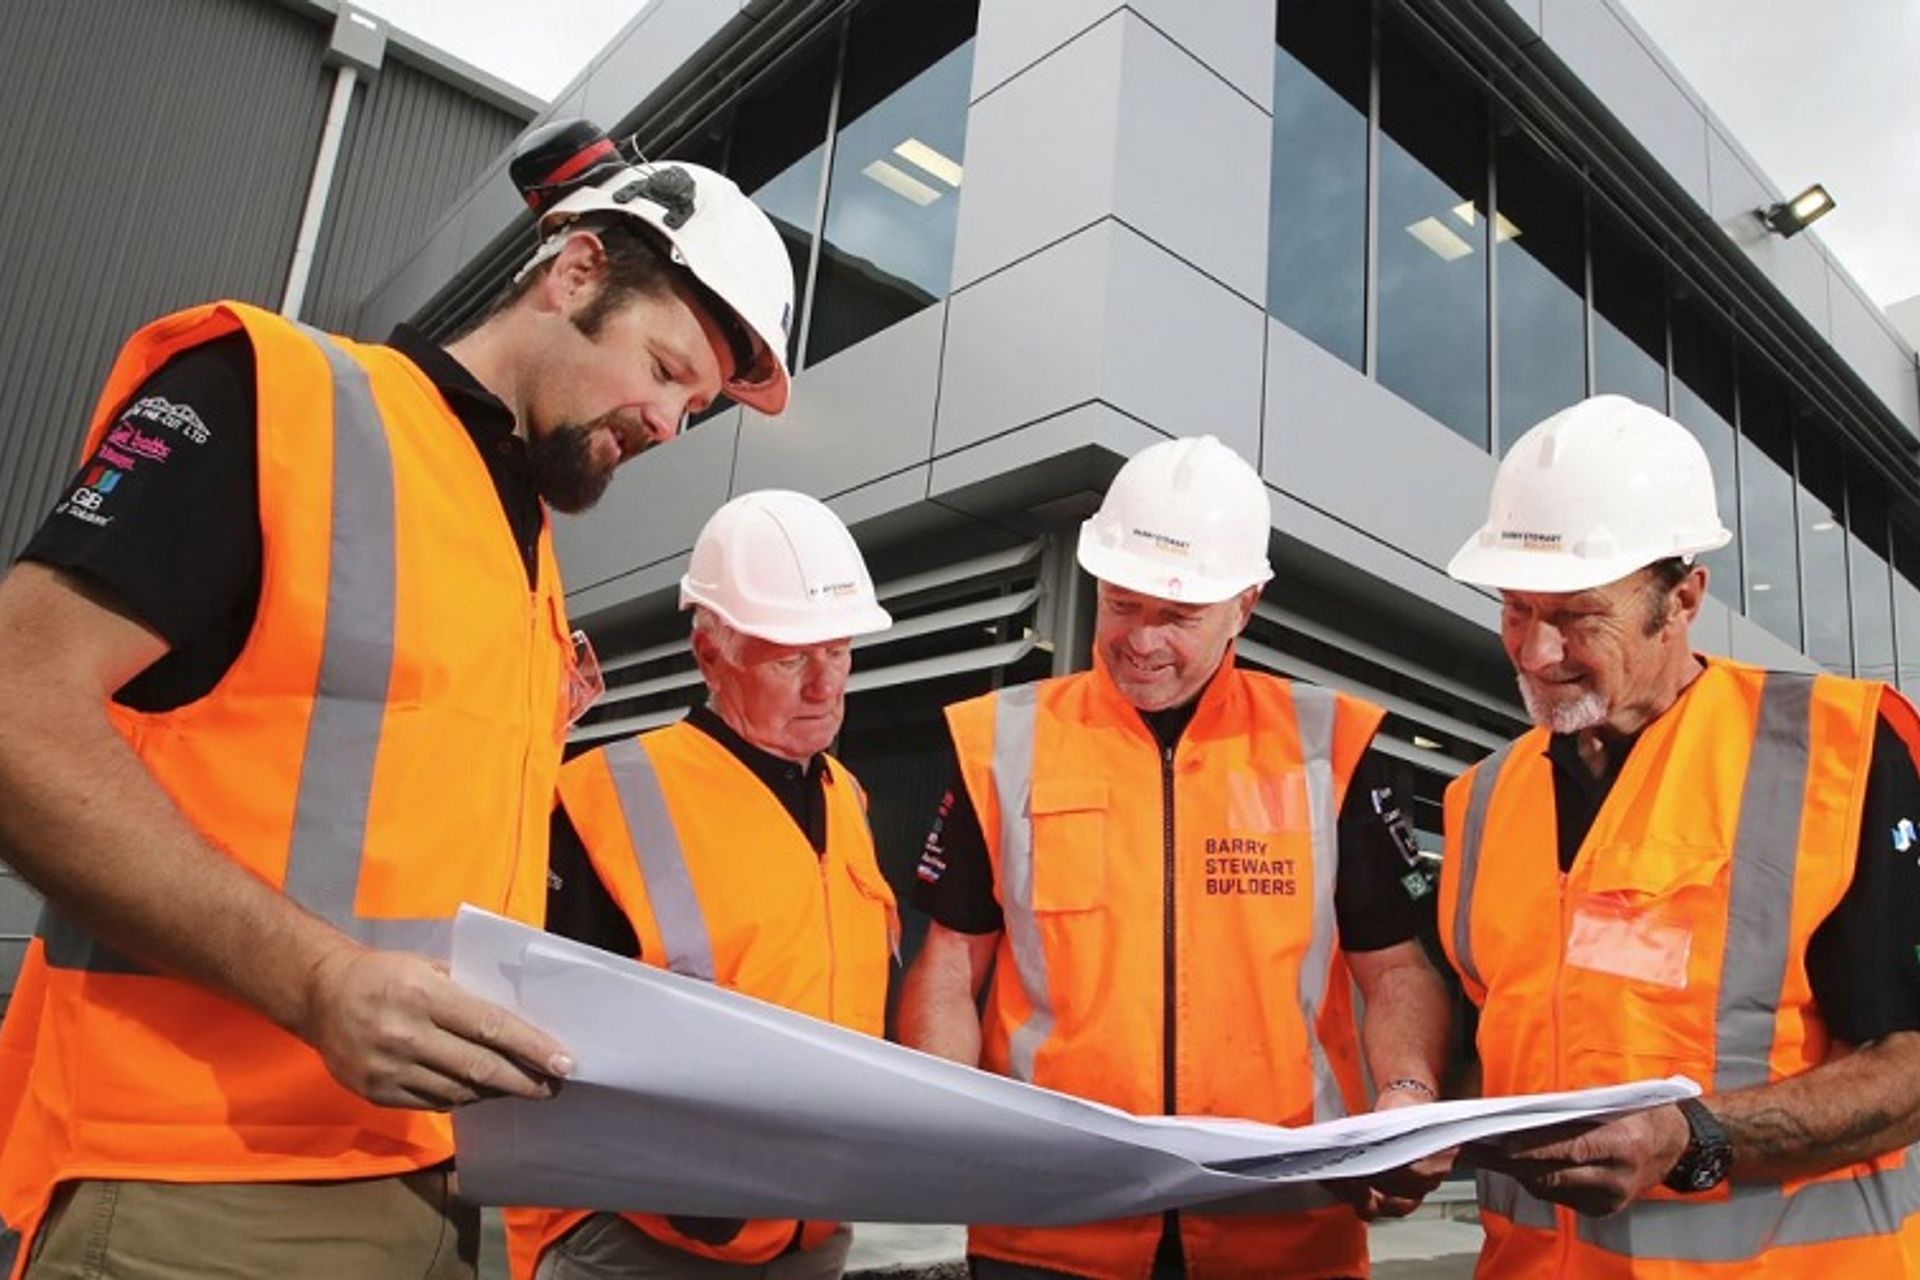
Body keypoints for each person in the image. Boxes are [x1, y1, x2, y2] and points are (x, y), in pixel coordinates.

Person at [0, 118, 796, 1279]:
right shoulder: (277, 396)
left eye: (697, 406)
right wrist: (318, 983)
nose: (671, 423)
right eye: (669, 370)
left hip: (430, 1184)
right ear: (575, 272)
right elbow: (19, 706)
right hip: (200, 1180)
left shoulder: (517, 544)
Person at [898, 435, 1453, 1280]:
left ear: (1246, 604)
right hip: (1049, 1228)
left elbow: (1396, 970)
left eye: (1180, 616)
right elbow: (948, 968)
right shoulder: (1000, 741)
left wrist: (1405, 1099)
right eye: (1122, 606)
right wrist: (947, 1118)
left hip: (1280, 1229)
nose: (1142, 641)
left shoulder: (1333, 745)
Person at [1437, 393, 1920, 1276]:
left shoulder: (1836, 751)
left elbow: (1910, 1062)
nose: (1535, 653)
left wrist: (1696, 1138)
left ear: (1684, 597)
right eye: (1515, 609)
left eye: (1578, 615)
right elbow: (1487, 1051)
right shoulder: (1481, 798)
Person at [504, 489, 898, 1280]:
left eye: (839, 651)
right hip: (642, 1239)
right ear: (710, 652)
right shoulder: (601, 796)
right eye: (791, 658)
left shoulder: (847, 799)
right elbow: (536, 1044)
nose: (825, 686)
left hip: (811, 1240)